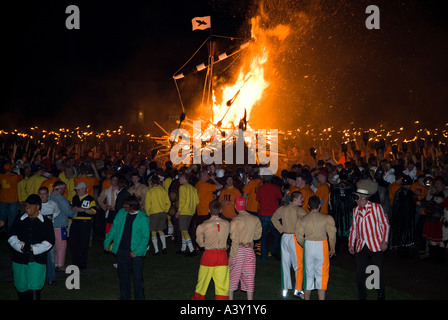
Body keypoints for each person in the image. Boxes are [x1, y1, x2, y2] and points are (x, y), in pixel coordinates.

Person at [348, 178, 390, 300]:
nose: (355, 200)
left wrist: (385, 241)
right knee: (359, 272)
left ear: (363, 198)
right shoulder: (356, 210)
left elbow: (385, 225)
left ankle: (381, 293)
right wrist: (351, 244)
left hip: (376, 244)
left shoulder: (376, 208)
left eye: (357, 197)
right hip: (361, 245)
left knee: (377, 271)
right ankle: (362, 295)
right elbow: (354, 228)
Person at [8, 194, 55, 300]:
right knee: (21, 288)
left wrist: (34, 248)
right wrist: (20, 246)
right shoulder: (19, 219)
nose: (27, 208)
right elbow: (11, 236)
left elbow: (50, 241)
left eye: (30, 205)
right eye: (26, 205)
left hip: (37, 260)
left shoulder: (46, 223)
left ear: (38, 207)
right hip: (19, 259)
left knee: (34, 287)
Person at [104, 195, 150, 300]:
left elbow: (145, 237)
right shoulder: (121, 213)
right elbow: (114, 229)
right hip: (122, 251)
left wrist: (137, 251)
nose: (123, 206)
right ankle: (125, 297)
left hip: (135, 254)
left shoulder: (142, 218)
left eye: (126, 204)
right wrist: (107, 242)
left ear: (131, 206)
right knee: (123, 278)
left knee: (137, 279)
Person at [296, 196, 337, 300]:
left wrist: (304, 245)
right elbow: (332, 235)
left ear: (309, 206)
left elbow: (299, 236)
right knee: (321, 275)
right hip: (321, 246)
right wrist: (332, 248)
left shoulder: (303, 219)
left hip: (308, 245)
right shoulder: (327, 218)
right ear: (320, 205)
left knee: (308, 275)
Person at [271, 191, 307, 298]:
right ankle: (298, 289)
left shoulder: (283, 209)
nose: (302, 200)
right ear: (295, 199)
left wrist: (281, 229)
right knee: (299, 265)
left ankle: (285, 289)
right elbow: (307, 221)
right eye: (301, 198)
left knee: (285, 264)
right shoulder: (299, 210)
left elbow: (274, 218)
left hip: (285, 237)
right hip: (294, 238)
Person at [192, 200, 230, 300]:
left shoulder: (202, 226)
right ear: (221, 210)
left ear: (209, 210)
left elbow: (200, 244)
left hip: (208, 255)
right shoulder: (227, 224)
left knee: (202, 284)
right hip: (222, 255)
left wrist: (206, 243)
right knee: (222, 286)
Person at [228, 196, 262, 300]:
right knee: (249, 276)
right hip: (249, 251)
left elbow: (234, 241)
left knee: (233, 276)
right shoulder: (255, 218)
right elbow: (258, 235)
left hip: (238, 251)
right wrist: (250, 240)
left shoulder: (235, 221)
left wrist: (231, 256)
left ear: (235, 207)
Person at [49, 180, 76, 272]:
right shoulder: (62, 199)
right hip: (60, 225)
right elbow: (68, 212)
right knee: (61, 244)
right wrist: (75, 213)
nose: (64, 190)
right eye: (63, 188)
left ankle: (53, 262)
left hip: (51, 225)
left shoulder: (49, 197)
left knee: (53, 245)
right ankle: (60, 264)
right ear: (59, 188)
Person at [70, 181, 97, 269]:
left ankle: (82, 263)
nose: (77, 191)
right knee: (74, 244)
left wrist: (83, 210)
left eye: (78, 190)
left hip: (85, 223)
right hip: (75, 223)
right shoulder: (75, 198)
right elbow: (71, 207)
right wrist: (73, 208)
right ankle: (75, 262)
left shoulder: (90, 199)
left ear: (83, 189)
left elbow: (94, 211)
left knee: (84, 244)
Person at [256, 173, 283, 261]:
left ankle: (264, 256)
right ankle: (275, 251)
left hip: (263, 214)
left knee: (263, 236)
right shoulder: (276, 188)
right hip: (273, 215)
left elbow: (258, 199)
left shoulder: (260, 189)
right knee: (276, 235)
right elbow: (280, 199)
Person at [329, 168, 356, 252]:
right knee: (348, 227)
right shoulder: (352, 187)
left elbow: (332, 202)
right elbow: (354, 201)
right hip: (348, 212)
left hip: (338, 212)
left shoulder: (334, 187)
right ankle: (348, 245)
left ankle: (339, 246)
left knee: (338, 227)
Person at [38, 187, 60, 285]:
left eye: (44, 194)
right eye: (40, 194)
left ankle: (51, 278)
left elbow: (57, 212)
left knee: (51, 256)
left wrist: (51, 220)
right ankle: (39, 277)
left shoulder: (53, 204)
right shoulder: (36, 205)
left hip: (49, 233)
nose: (42, 196)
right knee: (39, 256)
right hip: (38, 234)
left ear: (48, 194)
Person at [422, 176, 448, 261]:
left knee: (439, 239)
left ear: (443, 185)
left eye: (439, 184)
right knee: (432, 239)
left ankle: (439, 258)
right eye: (436, 183)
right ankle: (434, 257)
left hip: (439, 221)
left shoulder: (444, 195)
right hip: (431, 219)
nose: (437, 185)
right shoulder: (433, 193)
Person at [145, 175, 171, 255]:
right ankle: (164, 247)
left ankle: (156, 250)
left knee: (153, 232)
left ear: (152, 182)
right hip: (162, 213)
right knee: (161, 230)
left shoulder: (150, 192)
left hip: (153, 213)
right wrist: (165, 210)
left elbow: (147, 204)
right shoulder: (163, 191)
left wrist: (148, 213)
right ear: (159, 182)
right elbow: (168, 203)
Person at [390, 175, 415, 252]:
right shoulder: (409, 193)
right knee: (405, 233)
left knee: (398, 231)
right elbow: (410, 206)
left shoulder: (398, 191)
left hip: (398, 217)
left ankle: (397, 246)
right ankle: (404, 247)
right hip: (406, 217)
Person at [176, 173, 200, 256]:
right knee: (184, 230)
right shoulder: (193, 188)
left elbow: (182, 201)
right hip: (191, 212)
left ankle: (192, 250)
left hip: (184, 211)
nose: (179, 180)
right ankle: (183, 248)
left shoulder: (182, 187)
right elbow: (197, 201)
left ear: (183, 178)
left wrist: (178, 211)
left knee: (184, 230)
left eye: (180, 178)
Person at [0, 162, 23, 231]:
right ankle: (11, 231)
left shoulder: (0, 176)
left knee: (2, 216)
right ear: (10, 169)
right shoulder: (15, 177)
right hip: (13, 200)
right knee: (12, 217)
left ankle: (2, 230)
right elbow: (22, 176)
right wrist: (19, 168)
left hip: (3, 200)